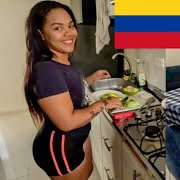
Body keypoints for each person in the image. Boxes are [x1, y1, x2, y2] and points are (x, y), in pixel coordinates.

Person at [23, 1, 122, 179]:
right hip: (60, 149)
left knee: (87, 171)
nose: (69, 33)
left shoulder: (60, 61)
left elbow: (64, 88)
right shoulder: (47, 70)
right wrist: (103, 103)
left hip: (75, 139)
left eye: (70, 25)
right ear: (41, 34)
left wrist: (90, 79)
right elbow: (67, 122)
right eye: (58, 28)